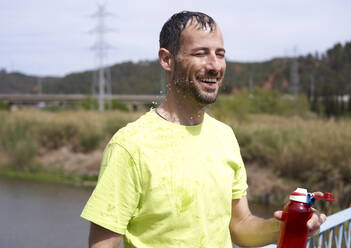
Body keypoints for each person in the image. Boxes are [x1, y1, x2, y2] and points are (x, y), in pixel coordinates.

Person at [81, 11, 326, 248]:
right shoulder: (130, 145)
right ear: (167, 60)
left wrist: (287, 224)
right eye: (201, 53)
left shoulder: (225, 136)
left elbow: (240, 226)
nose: (214, 65)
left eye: (220, 54)